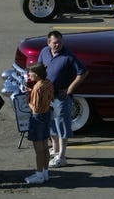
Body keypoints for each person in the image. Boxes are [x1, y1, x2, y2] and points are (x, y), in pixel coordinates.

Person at [38, 30, 88, 168]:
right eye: (55, 42)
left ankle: (62, 156)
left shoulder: (68, 56)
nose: (58, 45)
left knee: (62, 126)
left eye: (60, 42)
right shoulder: (44, 52)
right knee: (51, 124)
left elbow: (82, 72)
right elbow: (40, 69)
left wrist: (69, 89)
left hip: (61, 98)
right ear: (48, 43)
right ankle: (55, 149)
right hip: (48, 96)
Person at [24, 62, 55, 185]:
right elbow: (50, 98)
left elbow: (35, 108)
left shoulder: (37, 87)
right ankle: (45, 172)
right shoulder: (48, 83)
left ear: (36, 75)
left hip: (37, 118)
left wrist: (28, 99)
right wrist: (32, 92)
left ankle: (38, 175)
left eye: (30, 73)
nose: (29, 75)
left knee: (39, 150)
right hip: (47, 115)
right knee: (45, 147)